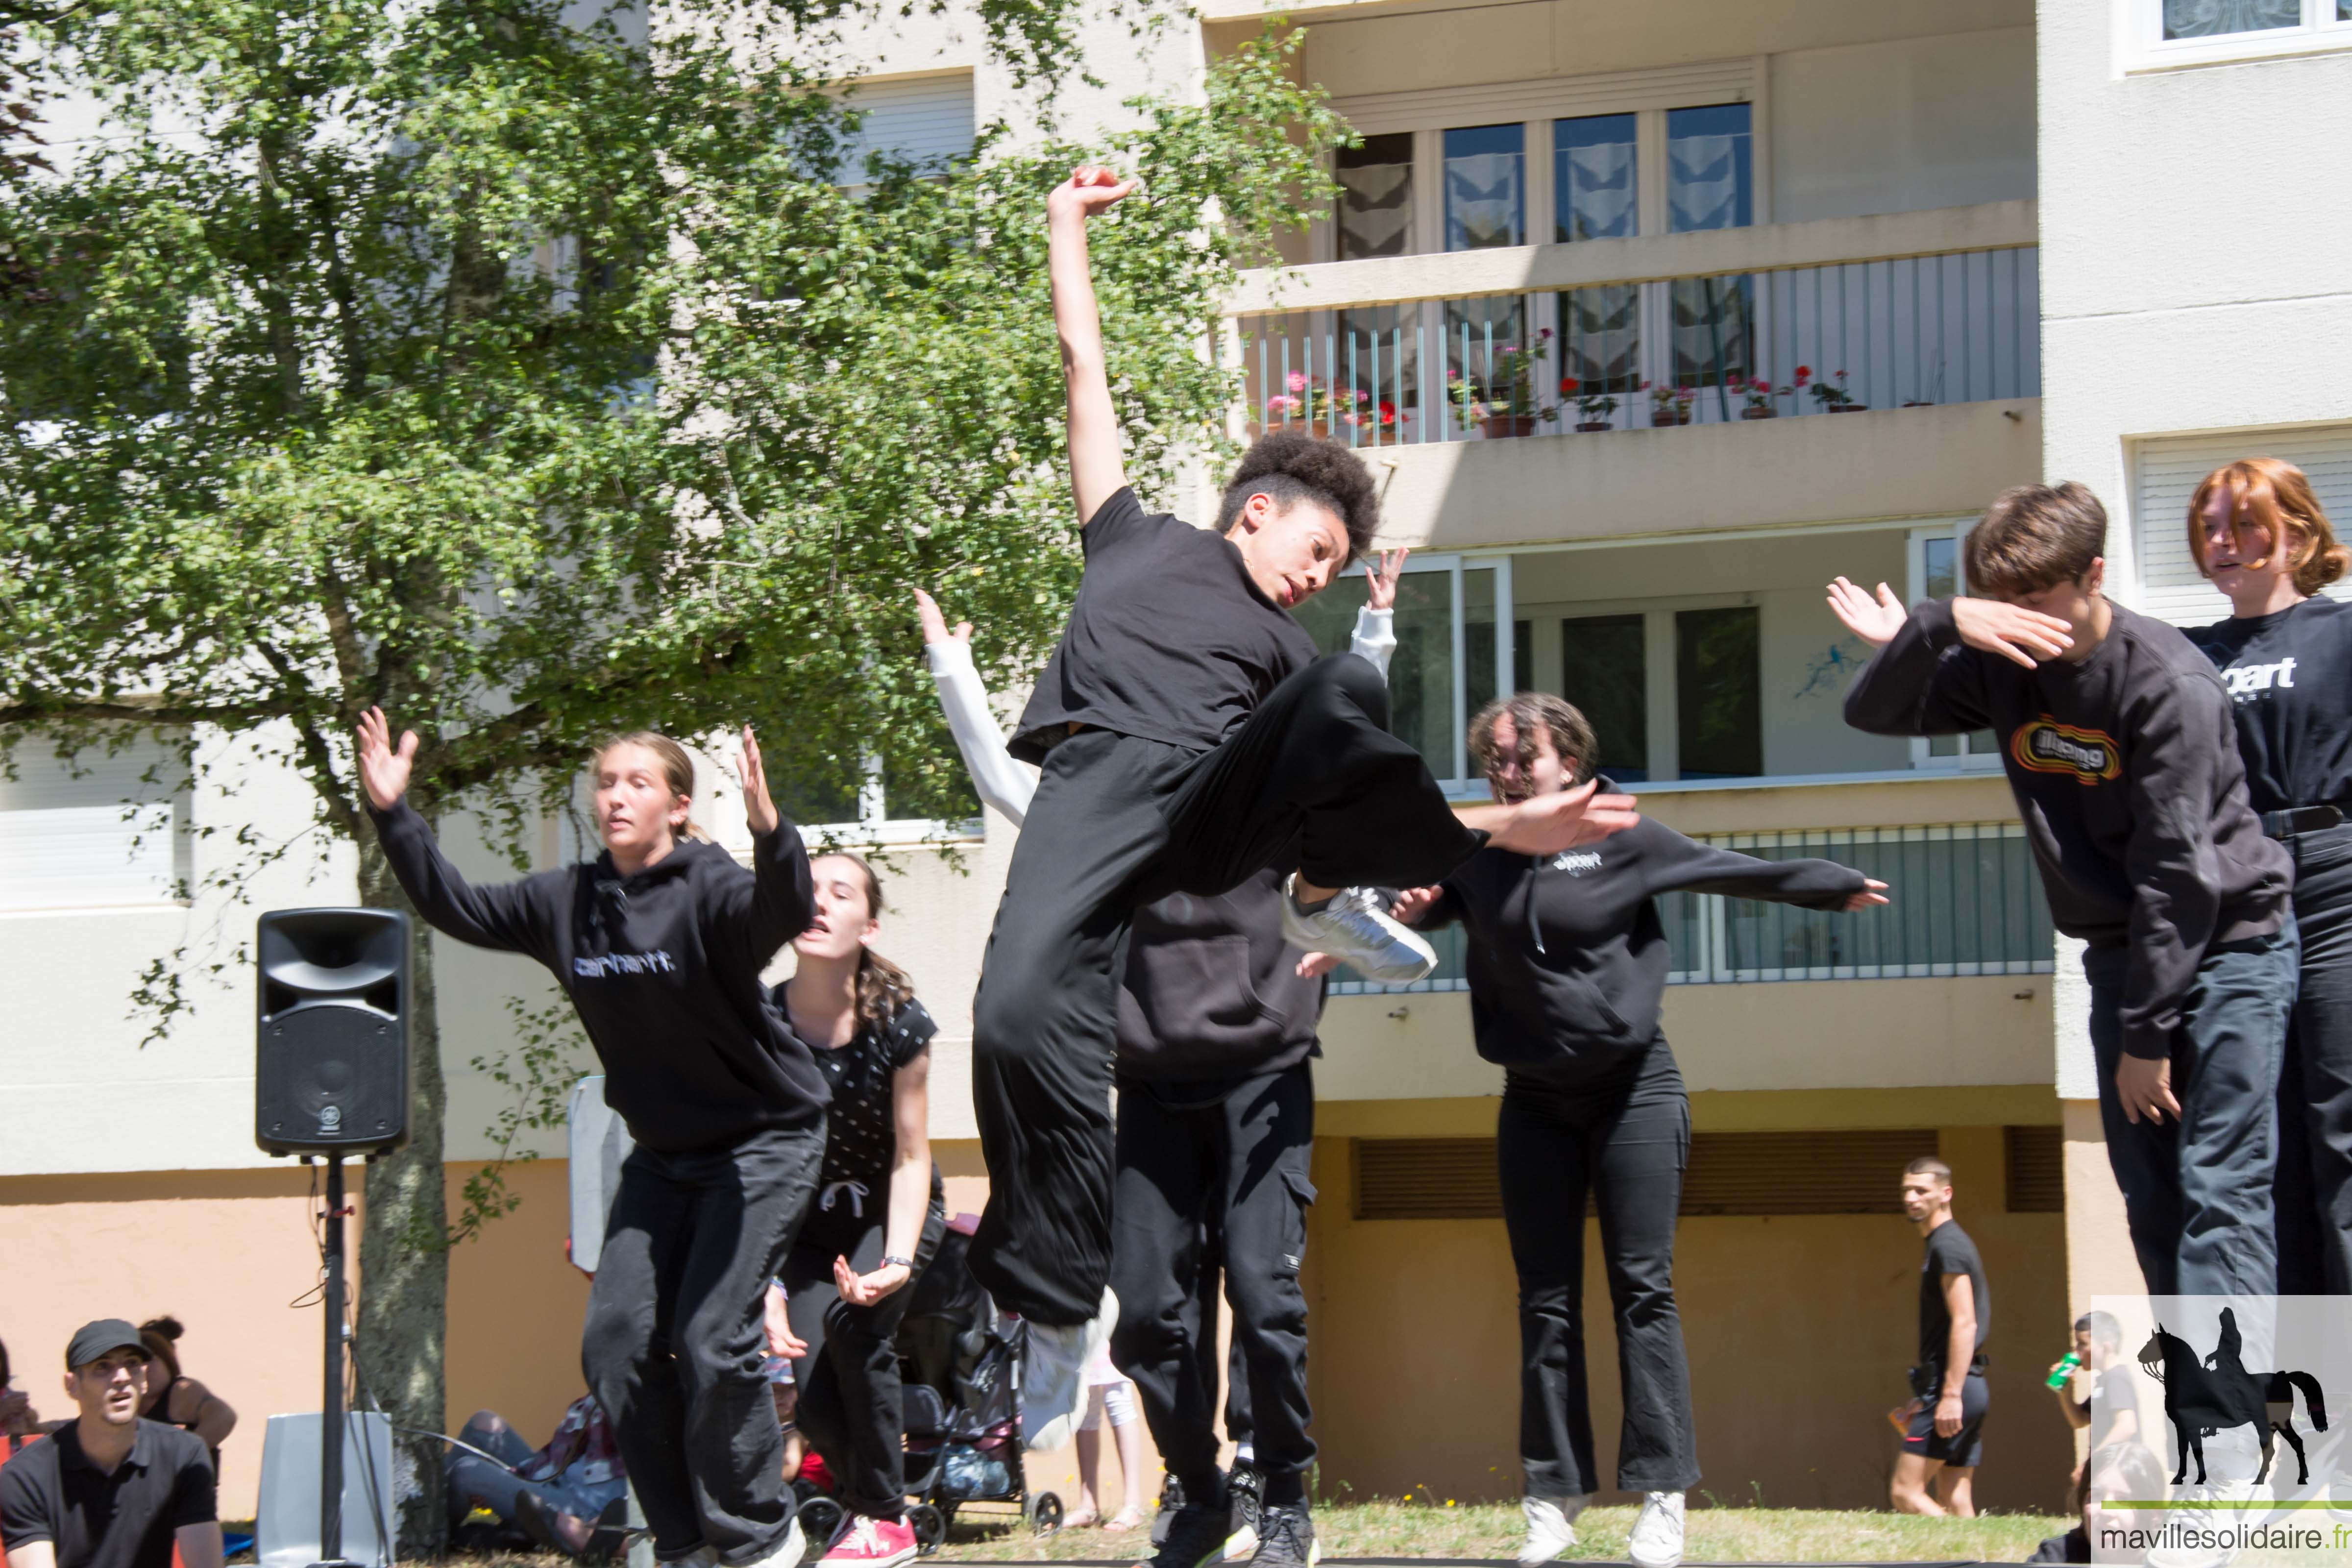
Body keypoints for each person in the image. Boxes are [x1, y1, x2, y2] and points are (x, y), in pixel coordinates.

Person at [968, 164, 1639, 1468]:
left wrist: (1513, 830)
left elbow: (1347, 778)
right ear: (1255, 511)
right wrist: (1061, 225)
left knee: (1343, 687)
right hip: (1098, 793)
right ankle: (1056, 1305)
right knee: (1012, 1015)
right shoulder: (1133, 540)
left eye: (1336, 571)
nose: (1317, 579)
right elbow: (1081, 375)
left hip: (1214, 805)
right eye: (1314, 557)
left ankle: (1394, 909)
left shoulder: (1286, 656)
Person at [916, 553, 1413, 1568]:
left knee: (1266, 1301)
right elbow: (1002, 779)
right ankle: (1200, 1489)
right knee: (1146, 1320)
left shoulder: (1274, 803)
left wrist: (1376, 634)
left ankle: (1283, 1496)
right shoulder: (1108, 819)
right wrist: (952, 669)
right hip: (1149, 1085)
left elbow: (1351, 748)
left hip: (1262, 1074)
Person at [1390, 694, 1886, 1568]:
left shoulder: (1624, 836)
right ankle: (1554, 1495)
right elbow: (1432, 899)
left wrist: (1830, 884)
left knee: (1642, 1289)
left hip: (1633, 1094)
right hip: (1534, 1099)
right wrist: (1415, 903)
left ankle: (1662, 1497)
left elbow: (1727, 868)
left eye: (1523, 759)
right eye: (1495, 760)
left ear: (1570, 763)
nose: (1506, 773)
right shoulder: (1480, 847)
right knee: (1543, 1301)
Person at [355, 711, 823, 1568]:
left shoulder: (707, 884)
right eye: (606, 782)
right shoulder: (566, 902)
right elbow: (456, 906)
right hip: (665, 1153)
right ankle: (685, 1544)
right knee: (614, 1346)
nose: (615, 797)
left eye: (637, 783)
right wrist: (396, 815)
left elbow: (778, 916)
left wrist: (771, 831)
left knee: (715, 1336)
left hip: (764, 1138)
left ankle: (762, 1535)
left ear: (677, 807)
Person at [1832, 482, 2298, 1298]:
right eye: (1996, 601)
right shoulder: (2002, 662)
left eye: (2033, 598)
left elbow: (2178, 874)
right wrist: (1934, 626)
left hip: (2230, 948)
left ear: (2093, 575)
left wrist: (2146, 1038)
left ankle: (2236, 1421)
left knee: (2221, 1196)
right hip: (2124, 955)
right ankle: (2203, 1417)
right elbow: (1873, 713)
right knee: (2153, 1206)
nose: (2014, 619)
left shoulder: (2165, 683)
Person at [2178, 457, 2352, 1294]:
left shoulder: (2341, 633)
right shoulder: (2185, 655)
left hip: (2336, 882)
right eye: (2211, 526)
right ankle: (2296, 1399)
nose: (2225, 542)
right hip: (2237, 894)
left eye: (2246, 523)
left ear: (2300, 533)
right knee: (2256, 1145)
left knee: (2340, 1129)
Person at [770, 853, 948, 1568]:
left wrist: (897, 1264)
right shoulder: (761, 1021)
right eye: (807, 891)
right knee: (808, 1377)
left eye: (839, 894)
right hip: (806, 1229)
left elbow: (912, 1159)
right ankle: (864, 1505)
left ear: (867, 923)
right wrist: (768, 1285)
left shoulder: (901, 1026)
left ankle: (885, 1519)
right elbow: (751, 1159)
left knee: (858, 1324)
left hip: (895, 1212)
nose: (819, 903)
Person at [0, 1321, 221, 1568]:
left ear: (144, 1380)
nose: (122, 1377)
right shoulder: (25, 1475)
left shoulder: (185, 1455)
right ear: (72, 1386)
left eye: (132, 1364)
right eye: (102, 1367)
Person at [1886, 1158, 1989, 1517]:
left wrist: (1948, 1396)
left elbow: (1965, 1323)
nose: (1911, 1198)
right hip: (1964, 1384)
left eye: (1921, 1191)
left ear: (1946, 1194)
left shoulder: (1949, 1247)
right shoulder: (1940, 1244)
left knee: (1905, 1492)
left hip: (1957, 1388)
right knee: (1955, 1497)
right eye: (1906, 1191)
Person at [445, 1399, 627, 1560]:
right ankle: (430, 1507)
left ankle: (433, 1533)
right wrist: (519, 1474)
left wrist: (596, 1529)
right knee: (483, 1421)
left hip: (581, 1510)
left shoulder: (641, 1400)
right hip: (552, 1479)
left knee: (467, 1472)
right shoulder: (598, 1389)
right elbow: (562, 1456)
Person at [2049, 1310, 2136, 1492]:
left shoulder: (2117, 1378)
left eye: (2082, 1345)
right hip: (2107, 1468)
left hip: (2121, 1470)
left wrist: (2091, 1463)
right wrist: (2065, 1393)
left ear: (2106, 1347)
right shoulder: (2103, 1382)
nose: (2076, 1352)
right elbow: (2079, 1420)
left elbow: (2127, 1426)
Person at [130, 1321, 233, 1474]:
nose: (145, 1369)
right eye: (135, 1363)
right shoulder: (126, 1400)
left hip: (188, 1494)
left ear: (167, 1361)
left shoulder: (181, 1390)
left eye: (150, 1360)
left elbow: (224, 1416)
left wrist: (180, 1456)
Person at [1064, 1348, 1145, 1532]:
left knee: (1118, 1396)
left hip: (1110, 1327)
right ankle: (1088, 1505)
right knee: (1084, 1401)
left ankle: (1133, 1505)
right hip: (1083, 1330)